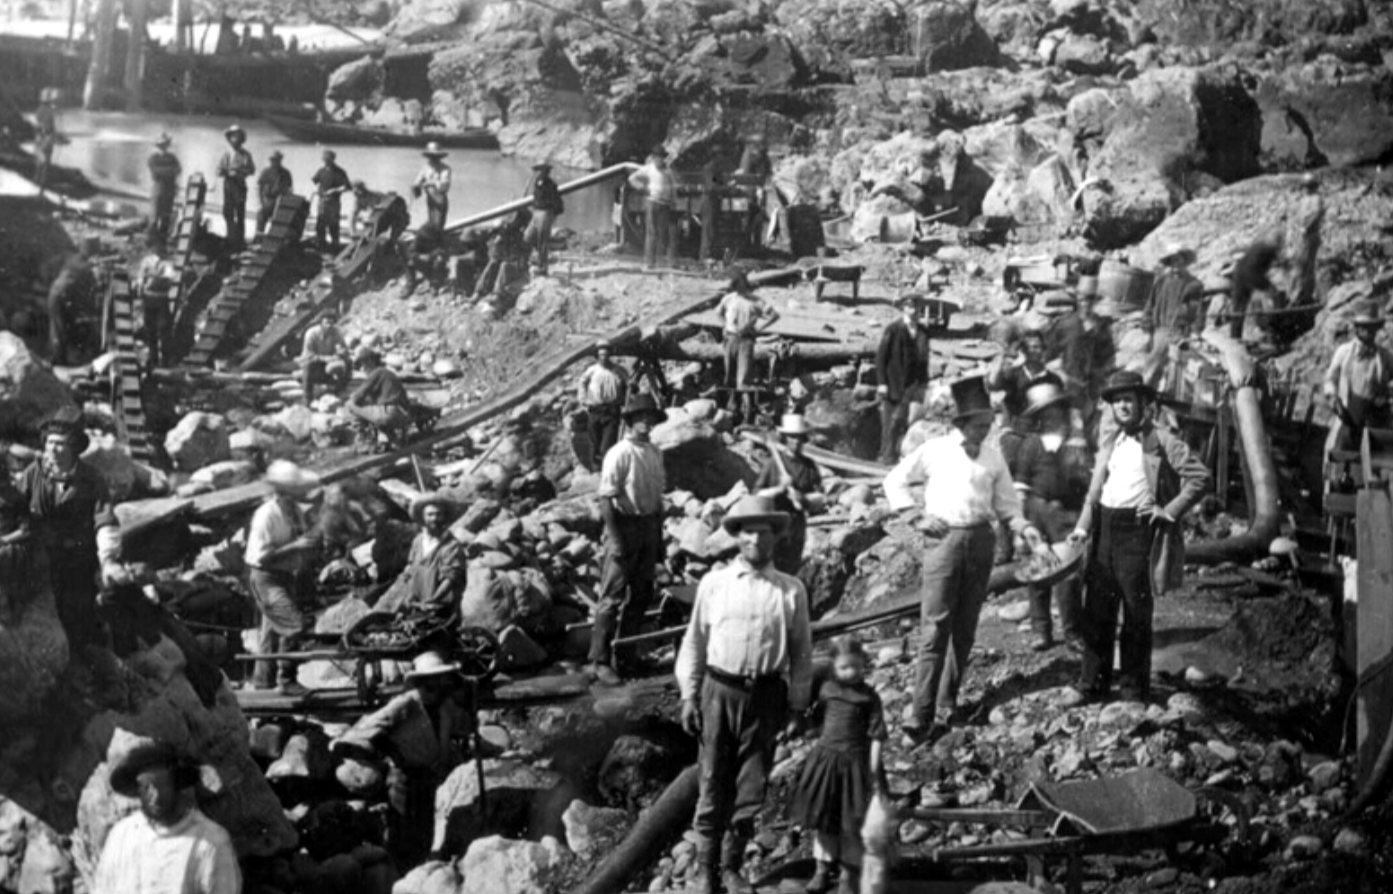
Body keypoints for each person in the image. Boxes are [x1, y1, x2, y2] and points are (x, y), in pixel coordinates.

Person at [882, 375, 1054, 746]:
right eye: (979, 424)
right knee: (934, 629)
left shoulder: (992, 456)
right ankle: (920, 715)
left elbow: (1007, 504)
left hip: (981, 542)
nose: (986, 429)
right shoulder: (936, 450)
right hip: (943, 541)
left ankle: (949, 704)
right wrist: (915, 516)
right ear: (961, 423)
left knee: (965, 628)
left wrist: (1024, 527)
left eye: (988, 423)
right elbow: (893, 481)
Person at [676, 494, 814, 894]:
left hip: (766, 696)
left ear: (776, 537)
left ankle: (731, 867)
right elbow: (694, 643)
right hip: (719, 691)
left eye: (764, 532)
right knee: (711, 780)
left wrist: (797, 707)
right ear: (737, 537)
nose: (756, 540)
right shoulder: (714, 584)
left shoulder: (790, 590)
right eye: (749, 532)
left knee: (751, 786)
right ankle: (705, 871)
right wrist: (689, 695)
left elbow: (802, 655)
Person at [1065, 370, 1210, 704]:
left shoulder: (1162, 440)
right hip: (1104, 529)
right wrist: (1082, 529)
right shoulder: (1110, 442)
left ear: (1143, 403)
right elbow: (1094, 493)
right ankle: (1092, 684)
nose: (1123, 406)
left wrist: (1168, 510)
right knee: (1097, 610)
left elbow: (1200, 478)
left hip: (1137, 532)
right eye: (1117, 401)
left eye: (1128, 399)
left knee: (1135, 612)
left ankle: (1133, 691)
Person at [331, 650, 471, 867]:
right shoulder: (406, 704)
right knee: (402, 831)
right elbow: (370, 725)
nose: (436, 686)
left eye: (440, 680)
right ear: (421, 682)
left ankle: (418, 872)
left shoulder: (445, 707)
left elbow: (465, 726)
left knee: (424, 832)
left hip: (428, 776)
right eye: (431, 682)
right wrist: (380, 752)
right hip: (402, 776)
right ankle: (399, 875)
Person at [790, 635, 886, 894]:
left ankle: (847, 873)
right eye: (844, 667)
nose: (851, 672)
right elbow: (816, 720)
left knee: (851, 821)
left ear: (864, 664)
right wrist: (809, 734)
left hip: (856, 764)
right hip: (826, 762)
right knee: (825, 818)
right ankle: (822, 869)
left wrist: (873, 768)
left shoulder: (869, 697)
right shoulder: (827, 691)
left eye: (856, 666)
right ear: (833, 666)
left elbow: (877, 734)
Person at [19, 407, 120, 648]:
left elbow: (105, 521)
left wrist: (108, 560)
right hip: (40, 561)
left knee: (81, 623)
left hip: (78, 562)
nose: (52, 450)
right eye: (50, 443)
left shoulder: (92, 479)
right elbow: (14, 508)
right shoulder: (34, 472)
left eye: (60, 444)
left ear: (74, 447)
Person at [586, 393, 667, 686]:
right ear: (630, 421)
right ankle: (598, 661)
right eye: (640, 417)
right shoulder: (619, 453)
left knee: (642, 593)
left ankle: (626, 656)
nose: (646, 423)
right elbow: (606, 499)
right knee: (612, 596)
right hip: (624, 526)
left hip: (648, 526)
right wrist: (617, 539)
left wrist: (658, 539)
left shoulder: (654, 452)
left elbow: (658, 498)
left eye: (650, 418)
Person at [94, 740, 240, 894]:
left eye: (163, 785)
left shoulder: (210, 841)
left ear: (176, 785)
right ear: (138, 790)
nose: (156, 796)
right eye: (146, 787)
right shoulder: (122, 837)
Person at [1009, 381, 1092, 652]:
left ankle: (1073, 631)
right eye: (1043, 413)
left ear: (1062, 410)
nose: (1050, 416)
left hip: (1066, 512)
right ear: (1037, 417)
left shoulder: (1074, 442)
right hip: (1037, 510)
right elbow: (1021, 486)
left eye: (1054, 410)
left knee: (1069, 574)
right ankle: (1041, 629)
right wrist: (1020, 527)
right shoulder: (1031, 444)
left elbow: (1086, 481)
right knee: (1038, 570)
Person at [244, 460, 322, 695]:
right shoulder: (266, 515)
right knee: (293, 625)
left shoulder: (295, 512)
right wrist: (296, 546)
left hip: (286, 576)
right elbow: (261, 557)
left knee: (271, 633)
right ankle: (287, 679)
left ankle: (263, 683)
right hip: (266, 577)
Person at [753, 414, 822, 577]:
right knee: (771, 572)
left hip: (797, 527)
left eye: (799, 437)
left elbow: (820, 497)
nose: (796, 441)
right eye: (792, 437)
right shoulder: (773, 464)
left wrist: (804, 499)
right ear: (785, 438)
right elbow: (756, 495)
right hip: (775, 527)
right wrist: (780, 488)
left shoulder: (809, 466)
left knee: (791, 572)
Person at [1322, 301, 1393, 455]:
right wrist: (1332, 397)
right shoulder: (1344, 352)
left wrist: (1387, 394)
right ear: (1358, 329)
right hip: (1347, 416)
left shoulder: (1384, 356)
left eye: (1373, 328)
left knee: (1374, 459)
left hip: (1374, 420)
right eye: (1366, 328)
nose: (1370, 332)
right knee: (1338, 454)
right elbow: (1330, 379)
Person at [875, 293, 930, 465]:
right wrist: (882, 383)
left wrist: (924, 383)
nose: (913, 311)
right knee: (890, 423)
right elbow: (881, 358)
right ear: (904, 309)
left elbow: (924, 360)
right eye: (910, 307)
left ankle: (902, 460)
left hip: (913, 386)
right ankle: (886, 458)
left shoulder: (923, 331)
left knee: (907, 423)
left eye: (917, 308)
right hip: (894, 384)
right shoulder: (893, 329)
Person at [347, 347, 433, 451]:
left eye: (362, 365)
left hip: (391, 413)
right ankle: (394, 440)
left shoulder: (376, 373)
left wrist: (354, 397)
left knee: (350, 404)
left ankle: (364, 439)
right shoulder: (386, 373)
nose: (362, 369)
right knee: (375, 411)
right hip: (403, 414)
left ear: (369, 361)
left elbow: (356, 398)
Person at [396, 493, 467, 618]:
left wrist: (433, 600)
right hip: (417, 604)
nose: (434, 518)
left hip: (440, 606)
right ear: (423, 517)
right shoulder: (418, 541)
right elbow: (411, 568)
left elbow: (451, 578)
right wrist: (409, 595)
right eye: (430, 514)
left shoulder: (451, 545)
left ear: (445, 517)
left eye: (438, 514)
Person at [716, 271, 780, 402]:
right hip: (730, 338)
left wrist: (760, 328)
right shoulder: (729, 299)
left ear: (744, 284)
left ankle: (745, 405)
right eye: (734, 286)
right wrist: (724, 325)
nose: (736, 288)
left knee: (743, 378)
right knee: (728, 374)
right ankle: (729, 403)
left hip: (746, 340)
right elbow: (718, 312)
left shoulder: (756, 301)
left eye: (738, 285)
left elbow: (774, 315)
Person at [986, 327, 1056, 430]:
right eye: (1027, 348)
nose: (1032, 351)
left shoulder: (1053, 379)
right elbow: (992, 385)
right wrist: (1002, 356)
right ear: (1023, 351)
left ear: (1043, 349)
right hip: (1017, 430)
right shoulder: (1013, 374)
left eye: (1036, 347)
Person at [576, 342, 629, 470]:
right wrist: (583, 399)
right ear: (597, 356)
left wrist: (630, 387)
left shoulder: (618, 370)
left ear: (610, 355)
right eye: (601, 355)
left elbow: (628, 382)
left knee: (608, 442)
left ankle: (607, 468)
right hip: (595, 409)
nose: (604, 357)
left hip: (612, 410)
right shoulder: (592, 370)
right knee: (594, 441)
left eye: (606, 354)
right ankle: (595, 467)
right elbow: (582, 382)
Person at [1143, 242, 1203, 347]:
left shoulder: (1194, 285)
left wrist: (1195, 331)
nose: (1176, 263)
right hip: (1159, 331)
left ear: (1185, 261)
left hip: (1181, 334)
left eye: (1178, 259)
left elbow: (1199, 311)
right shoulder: (1161, 282)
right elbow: (1150, 305)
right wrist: (1147, 325)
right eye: (1172, 260)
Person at [1223, 237, 1284, 339]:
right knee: (1241, 308)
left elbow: (1270, 264)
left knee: (1239, 308)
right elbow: (1253, 272)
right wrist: (1266, 285)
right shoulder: (1267, 250)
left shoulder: (1260, 247)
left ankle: (1235, 336)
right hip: (1247, 275)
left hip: (1242, 274)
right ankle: (1274, 321)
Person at [628, 149, 677, 270]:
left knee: (663, 233)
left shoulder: (668, 171)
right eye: (657, 157)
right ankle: (649, 261)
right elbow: (632, 178)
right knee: (651, 232)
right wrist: (641, 187)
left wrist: (674, 202)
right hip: (652, 202)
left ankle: (664, 261)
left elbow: (673, 188)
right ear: (654, 158)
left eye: (661, 157)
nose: (659, 160)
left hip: (665, 203)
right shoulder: (648, 169)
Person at [46, 249, 97, 365]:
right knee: (59, 329)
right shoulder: (81, 265)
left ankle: (60, 357)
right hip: (58, 297)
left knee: (60, 329)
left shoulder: (74, 260)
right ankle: (59, 360)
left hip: (60, 296)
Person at [471, 211, 530, 301]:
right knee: (493, 263)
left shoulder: (522, 236)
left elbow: (522, 257)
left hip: (519, 266)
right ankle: (479, 292)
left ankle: (497, 294)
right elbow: (496, 255)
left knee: (504, 265)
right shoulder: (505, 235)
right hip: (510, 262)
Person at [298, 307, 349, 404]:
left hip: (327, 364)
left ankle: (340, 390)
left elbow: (344, 348)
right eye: (327, 323)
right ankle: (307, 398)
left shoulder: (336, 332)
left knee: (348, 362)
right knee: (308, 366)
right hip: (313, 362)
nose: (329, 326)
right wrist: (326, 358)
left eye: (331, 323)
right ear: (321, 322)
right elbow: (308, 355)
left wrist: (341, 352)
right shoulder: (311, 333)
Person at [216, 124, 254, 251]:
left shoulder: (245, 155)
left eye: (237, 137)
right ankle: (230, 237)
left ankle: (240, 240)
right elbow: (218, 170)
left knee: (240, 213)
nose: (234, 139)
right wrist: (224, 172)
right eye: (232, 137)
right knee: (227, 212)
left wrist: (239, 172)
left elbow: (251, 170)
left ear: (241, 139)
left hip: (239, 185)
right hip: (228, 185)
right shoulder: (226, 154)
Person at [311, 149, 351, 253]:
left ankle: (335, 246)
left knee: (333, 224)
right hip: (322, 201)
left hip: (334, 202)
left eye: (328, 159)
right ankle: (321, 245)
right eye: (324, 159)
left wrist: (334, 190)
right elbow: (315, 181)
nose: (326, 161)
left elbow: (347, 187)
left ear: (333, 159)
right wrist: (318, 191)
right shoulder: (321, 171)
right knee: (320, 224)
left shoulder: (339, 172)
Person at [528, 161, 564, 276]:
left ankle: (542, 267)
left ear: (546, 172)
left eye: (541, 170)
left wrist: (551, 215)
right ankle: (538, 259)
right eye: (538, 170)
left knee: (542, 240)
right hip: (536, 212)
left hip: (545, 213)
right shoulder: (537, 183)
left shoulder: (550, 185)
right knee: (528, 237)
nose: (538, 172)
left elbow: (557, 203)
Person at [147, 133, 182, 243]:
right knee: (155, 214)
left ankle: (163, 238)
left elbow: (178, 170)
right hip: (158, 188)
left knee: (167, 214)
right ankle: (152, 238)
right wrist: (169, 172)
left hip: (170, 189)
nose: (163, 146)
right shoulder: (153, 158)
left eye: (165, 144)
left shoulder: (172, 157)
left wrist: (164, 172)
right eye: (161, 144)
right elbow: (155, 172)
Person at [413, 142, 452, 229]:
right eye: (431, 156)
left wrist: (430, 183)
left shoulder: (445, 168)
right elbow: (417, 182)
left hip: (440, 199)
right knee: (431, 223)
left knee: (438, 224)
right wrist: (417, 185)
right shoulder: (425, 168)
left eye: (435, 156)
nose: (433, 158)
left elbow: (444, 184)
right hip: (430, 199)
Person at [255, 150, 293, 235]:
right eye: (273, 160)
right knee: (261, 215)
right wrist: (261, 201)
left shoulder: (286, 173)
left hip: (281, 201)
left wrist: (287, 201)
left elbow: (289, 189)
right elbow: (259, 188)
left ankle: (276, 237)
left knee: (282, 217)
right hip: (268, 200)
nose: (274, 162)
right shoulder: (266, 172)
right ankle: (259, 235)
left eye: (276, 160)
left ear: (280, 160)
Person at [33, 89, 57, 191]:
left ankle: (36, 181)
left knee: (39, 161)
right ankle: (42, 185)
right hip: (47, 137)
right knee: (46, 162)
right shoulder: (51, 111)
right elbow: (52, 126)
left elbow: (36, 125)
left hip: (38, 138)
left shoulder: (38, 110)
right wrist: (54, 137)